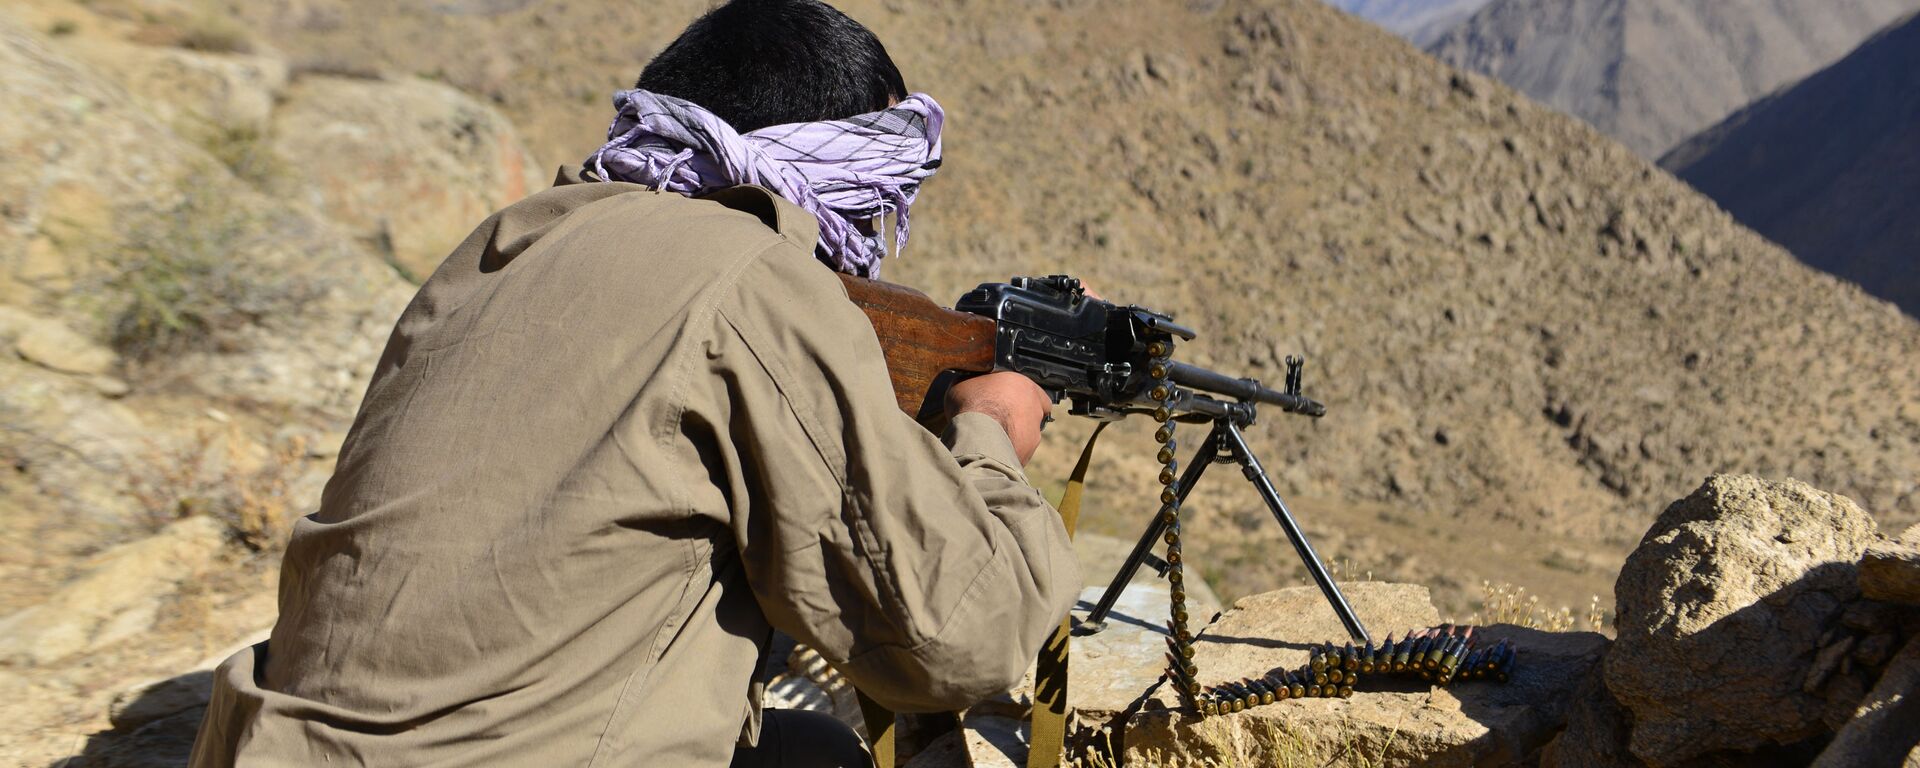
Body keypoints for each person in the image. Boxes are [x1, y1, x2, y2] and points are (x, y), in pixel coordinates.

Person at [186, 0, 1079, 766]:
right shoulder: (751, 276)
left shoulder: (508, 241)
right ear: (823, 164)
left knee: (809, 752)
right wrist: (992, 433)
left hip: (273, 744)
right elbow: (962, 636)